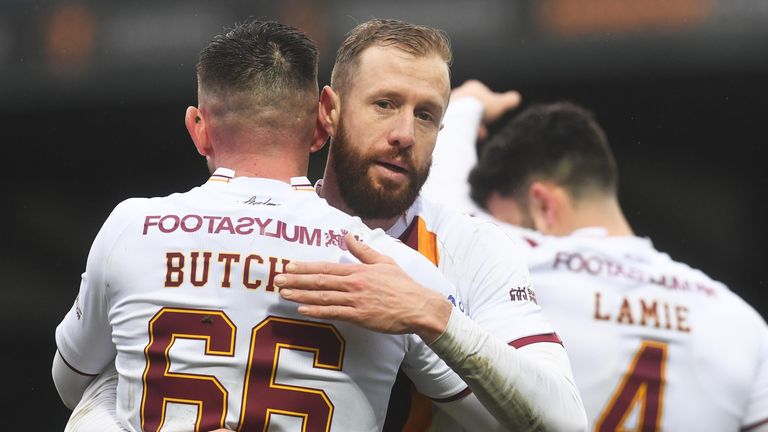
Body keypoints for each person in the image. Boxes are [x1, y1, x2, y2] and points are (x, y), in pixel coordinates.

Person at [53, 20, 507, 432]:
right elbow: (505, 417)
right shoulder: (390, 268)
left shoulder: (131, 226)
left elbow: (72, 379)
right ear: (321, 124)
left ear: (198, 128)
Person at [274, 19, 586, 431]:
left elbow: (566, 423)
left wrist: (432, 316)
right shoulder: (260, 228)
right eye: (384, 104)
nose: (404, 134)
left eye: (425, 115)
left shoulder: (473, 247)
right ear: (329, 110)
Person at [423, 92, 768, 431]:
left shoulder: (517, 258)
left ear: (543, 206)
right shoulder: (743, 324)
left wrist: (465, 106)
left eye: (503, 218)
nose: (493, 229)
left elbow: (440, 202)